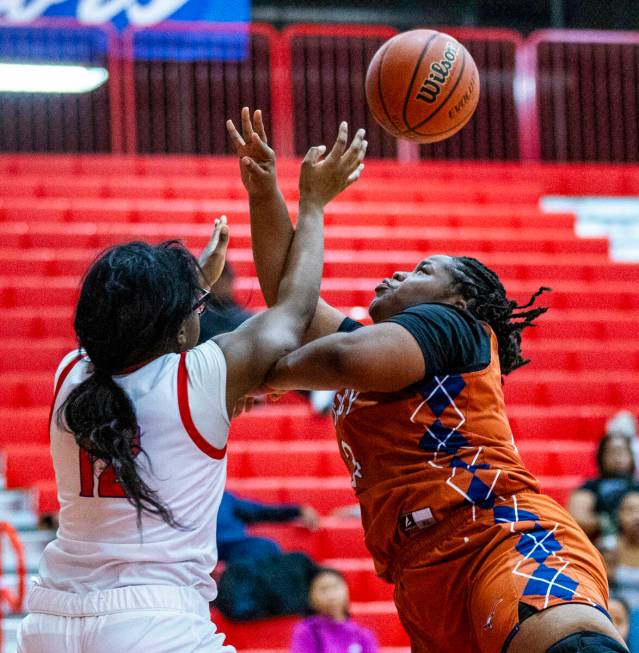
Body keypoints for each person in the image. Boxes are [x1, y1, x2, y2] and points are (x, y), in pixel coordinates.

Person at [227, 107, 627, 653]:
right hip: (423, 570)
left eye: (421, 272)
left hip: (500, 538)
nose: (397, 274)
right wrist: (269, 192)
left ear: (458, 299)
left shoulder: (455, 326)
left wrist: (252, 371)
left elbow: (340, 359)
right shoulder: (394, 349)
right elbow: (288, 304)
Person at [16, 118, 367, 653]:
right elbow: (294, 311)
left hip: (48, 620)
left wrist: (190, 290)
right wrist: (310, 203)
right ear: (179, 327)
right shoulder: (201, 377)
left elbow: (138, 338)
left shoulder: (72, 372)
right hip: (153, 625)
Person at [217, 490, 319, 564]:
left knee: (265, 547)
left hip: (229, 544)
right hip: (205, 546)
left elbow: (259, 511)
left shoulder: (222, 495)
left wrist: (297, 511)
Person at [290, 567, 379, 653]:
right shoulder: (307, 631)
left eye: (336, 587)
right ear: (311, 597)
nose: (332, 595)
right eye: (324, 589)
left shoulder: (362, 634)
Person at [569, 434, 639, 540]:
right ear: (601, 456)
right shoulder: (590, 487)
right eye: (612, 452)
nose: (617, 457)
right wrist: (605, 522)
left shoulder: (636, 486)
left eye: (622, 452)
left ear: (631, 456)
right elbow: (576, 519)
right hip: (603, 544)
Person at [615, 491, 639, 610]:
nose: (637, 516)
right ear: (619, 514)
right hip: (616, 619)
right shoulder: (607, 548)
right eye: (630, 510)